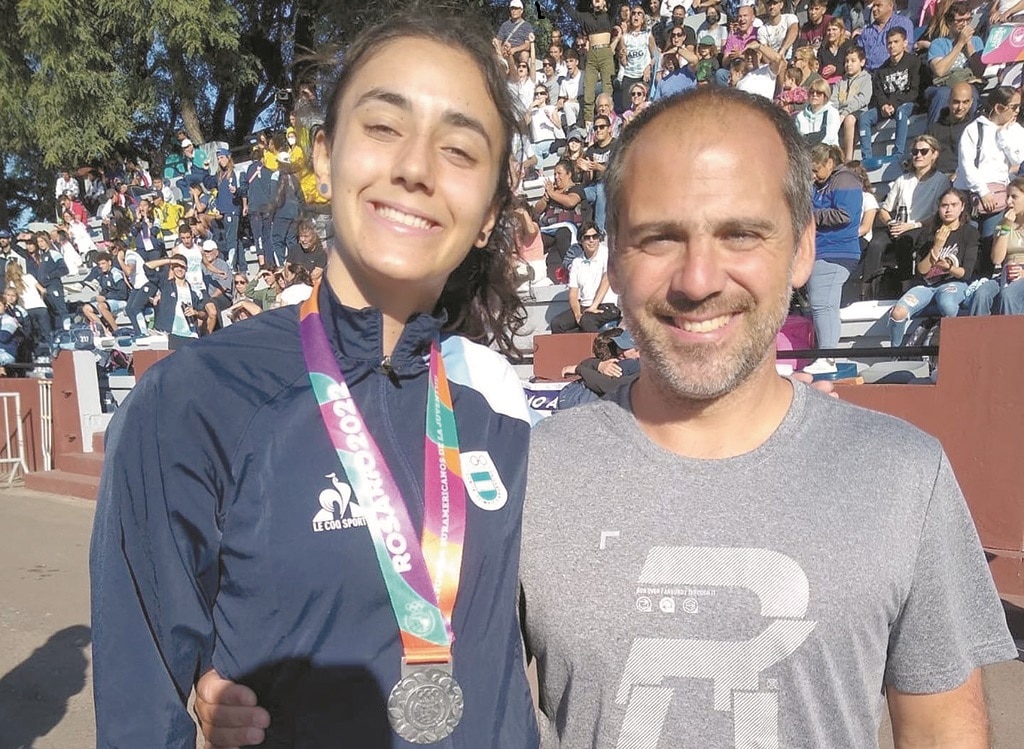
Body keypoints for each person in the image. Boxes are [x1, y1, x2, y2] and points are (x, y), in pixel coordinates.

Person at [196, 88, 1015, 749]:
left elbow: (945, 728)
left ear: (803, 246)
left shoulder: (903, 473)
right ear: (613, 258)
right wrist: (240, 697)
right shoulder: (523, 473)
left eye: (741, 233)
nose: (699, 278)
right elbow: (404, 655)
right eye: (659, 238)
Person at [91, 10, 540, 748]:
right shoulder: (194, 401)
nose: (417, 168)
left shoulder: (498, 397)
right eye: (384, 126)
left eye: (460, 148)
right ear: (325, 157)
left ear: (489, 215)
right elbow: (143, 711)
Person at [861, 134, 948, 298]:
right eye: (915, 152)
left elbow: (938, 214)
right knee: (876, 244)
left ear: (934, 154)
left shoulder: (940, 180)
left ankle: (905, 287)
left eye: (924, 151)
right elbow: (884, 211)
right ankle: (866, 291)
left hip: (922, 227)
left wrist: (911, 226)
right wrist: (891, 223)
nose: (918, 155)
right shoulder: (902, 179)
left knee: (904, 241)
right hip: (898, 226)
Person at [888, 187, 978, 345]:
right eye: (944, 205)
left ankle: (953, 347)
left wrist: (949, 268)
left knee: (947, 304)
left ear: (962, 206)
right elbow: (922, 270)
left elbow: (966, 273)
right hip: (927, 285)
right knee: (898, 312)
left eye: (953, 205)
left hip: (954, 283)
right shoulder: (928, 232)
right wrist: (937, 246)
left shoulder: (970, 232)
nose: (948, 209)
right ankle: (894, 354)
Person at [953, 86, 1024, 276]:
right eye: (1014, 107)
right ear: (999, 108)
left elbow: (1018, 159)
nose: (1018, 111)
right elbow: (967, 165)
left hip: (1001, 195)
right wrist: (983, 191)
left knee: (991, 240)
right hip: (972, 195)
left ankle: (986, 278)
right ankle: (967, 281)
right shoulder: (973, 129)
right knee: (969, 242)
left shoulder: (1015, 130)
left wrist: (1004, 135)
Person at [806, 143, 862, 374]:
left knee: (823, 306)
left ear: (830, 163)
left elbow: (845, 215)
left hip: (836, 252)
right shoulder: (819, 184)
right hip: (822, 251)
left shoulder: (845, 180)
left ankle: (827, 356)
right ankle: (826, 354)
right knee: (822, 305)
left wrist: (810, 216)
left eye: (816, 169)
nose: (812, 175)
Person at [857, 27, 920, 165]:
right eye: (889, 43)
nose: (892, 46)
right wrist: (884, 105)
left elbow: (914, 92)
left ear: (904, 43)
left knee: (901, 112)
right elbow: (879, 93)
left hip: (908, 104)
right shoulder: (881, 70)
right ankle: (866, 158)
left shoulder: (914, 63)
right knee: (864, 117)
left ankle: (898, 153)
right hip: (887, 107)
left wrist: (894, 104)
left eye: (896, 42)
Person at [967, 175, 1024, 315]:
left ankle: (1012, 335)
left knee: (1009, 295)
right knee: (981, 294)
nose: (1009, 202)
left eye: (1014, 197)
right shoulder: (1002, 224)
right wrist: (1006, 227)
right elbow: (997, 259)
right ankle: (977, 334)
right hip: (1006, 274)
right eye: (1008, 197)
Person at [550, 222, 620, 333]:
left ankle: (598, 349)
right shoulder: (577, 262)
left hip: (606, 305)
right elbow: (573, 293)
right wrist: (578, 315)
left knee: (587, 320)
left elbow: (606, 280)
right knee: (557, 323)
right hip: (584, 307)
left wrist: (594, 306)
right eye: (587, 237)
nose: (592, 240)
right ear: (580, 240)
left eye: (595, 236)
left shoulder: (607, 254)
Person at [565, 0, 616, 126]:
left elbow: (616, 3)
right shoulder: (586, 16)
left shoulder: (609, 15)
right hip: (592, 54)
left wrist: (603, 7)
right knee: (588, 89)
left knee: (607, 87)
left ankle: (608, 120)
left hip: (606, 52)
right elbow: (571, 12)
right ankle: (588, 124)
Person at [831, 46, 872, 161]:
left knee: (849, 119)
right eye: (846, 61)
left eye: (853, 61)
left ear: (862, 62)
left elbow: (863, 99)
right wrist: (834, 114)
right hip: (841, 112)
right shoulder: (841, 81)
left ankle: (848, 158)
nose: (849, 64)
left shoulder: (866, 78)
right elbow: (833, 100)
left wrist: (844, 113)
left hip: (858, 112)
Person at [928, 80, 975, 174]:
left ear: (971, 103)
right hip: (939, 178)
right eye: (956, 102)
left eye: (965, 102)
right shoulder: (934, 129)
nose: (960, 107)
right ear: (949, 101)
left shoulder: (975, 127)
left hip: (965, 177)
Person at [856, 0, 915, 71]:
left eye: (878, 5)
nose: (874, 9)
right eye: (874, 6)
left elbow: (906, 50)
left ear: (890, 6)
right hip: (868, 74)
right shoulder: (867, 31)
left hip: (892, 71)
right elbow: (858, 54)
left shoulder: (903, 23)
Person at [795, 79, 841, 146]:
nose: (814, 95)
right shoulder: (800, 116)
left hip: (827, 150)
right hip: (806, 150)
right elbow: (798, 139)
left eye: (819, 93)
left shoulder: (832, 113)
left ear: (825, 96)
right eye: (812, 92)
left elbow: (830, 137)